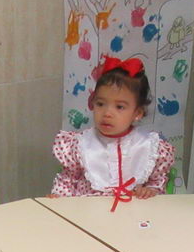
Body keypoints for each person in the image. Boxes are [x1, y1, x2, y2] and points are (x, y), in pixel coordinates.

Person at [51, 56, 175, 210]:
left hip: (132, 214)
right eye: (100, 104)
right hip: (88, 214)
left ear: (138, 113)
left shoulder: (149, 145)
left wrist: (150, 190)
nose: (107, 113)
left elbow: (158, 180)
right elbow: (68, 179)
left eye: (120, 107)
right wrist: (58, 198)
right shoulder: (80, 144)